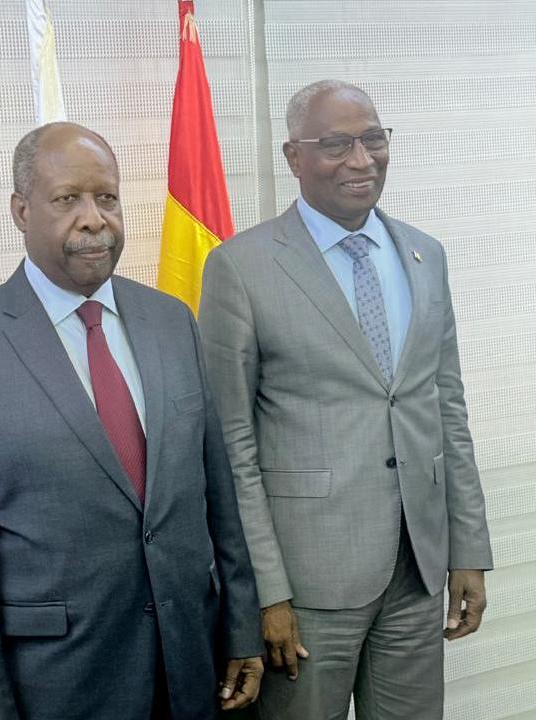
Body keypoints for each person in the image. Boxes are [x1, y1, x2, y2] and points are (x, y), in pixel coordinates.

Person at [0, 122, 264, 720]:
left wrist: (241, 626)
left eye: (107, 197)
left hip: (192, 669)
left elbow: (217, 495)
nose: (94, 219)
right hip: (59, 687)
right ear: (21, 211)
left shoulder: (172, 321)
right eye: (68, 199)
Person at [197, 80, 493, 720]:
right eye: (336, 144)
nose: (361, 160)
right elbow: (229, 446)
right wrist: (265, 592)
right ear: (293, 156)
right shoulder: (241, 268)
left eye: (373, 139)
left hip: (417, 567)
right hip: (306, 586)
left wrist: (468, 547)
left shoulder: (425, 254)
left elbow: (447, 407)